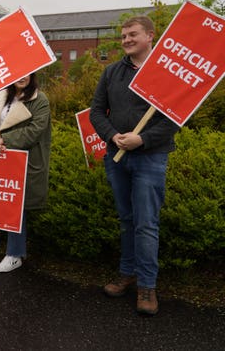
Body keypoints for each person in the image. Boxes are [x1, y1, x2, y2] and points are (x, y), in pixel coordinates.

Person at [90, 16, 180, 316]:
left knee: (146, 224)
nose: (126, 39)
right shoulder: (112, 72)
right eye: (124, 35)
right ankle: (127, 273)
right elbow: (96, 112)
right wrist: (112, 135)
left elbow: (173, 120)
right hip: (116, 158)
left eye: (133, 34)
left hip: (150, 158)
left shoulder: (167, 73)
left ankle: (147, 286)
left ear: (150, 36)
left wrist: (142, 139)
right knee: (127, 219)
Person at [0, 74, 51, 272]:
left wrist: (4, 140)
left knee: (16, 206)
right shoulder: (0, 97)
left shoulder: (40, 100)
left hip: (22, 161)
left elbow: (35, 130)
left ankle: (15, 254)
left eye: (27, 72)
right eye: (18, 73)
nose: (22, 77)